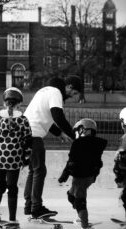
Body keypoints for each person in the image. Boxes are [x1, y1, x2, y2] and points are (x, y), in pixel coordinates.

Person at [24, 76, 81, 218]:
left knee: (33, 170)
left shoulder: (45, 91)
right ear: (69, 87)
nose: (71, 97)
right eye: (73, 93)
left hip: (25, 132)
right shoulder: (56, 92)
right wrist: (75, 137)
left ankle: (29, 205)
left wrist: (60, 133)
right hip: (33, 134)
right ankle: (36, 208)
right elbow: (58, 117)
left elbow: (44, 117)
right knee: (39, 171)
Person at [0, 87, 32, 226]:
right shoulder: (23, 120)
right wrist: (26, 158)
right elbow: (28, 142)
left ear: (5, 103)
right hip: (15, 159)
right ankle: (12, 219)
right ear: (19, 103)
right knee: (12, 187)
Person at [58, 118, 107, 229]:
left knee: (79, 200)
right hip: (90, 177)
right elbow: (97, 162)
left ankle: (85, 227)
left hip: (80, 176)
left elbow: (71, 161)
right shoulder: (99, 143)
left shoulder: (78, 143)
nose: (76, 133)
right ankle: (82, 216)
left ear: (82, 130)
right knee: (71, 195)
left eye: (77, 130)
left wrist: (64, 175)